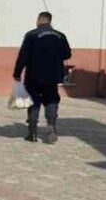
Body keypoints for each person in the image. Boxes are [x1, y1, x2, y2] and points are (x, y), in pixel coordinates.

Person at [13, 10, 72, 143]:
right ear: (50, 21)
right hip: (53, 76)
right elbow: (67, 54)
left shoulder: (31, 35)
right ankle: (51, 125)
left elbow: (23, 56)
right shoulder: (60, 36)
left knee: (33, 101)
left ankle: (32, 133)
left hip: (34, 75)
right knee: (51, 99)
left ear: (39, 20)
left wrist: (17, 73)